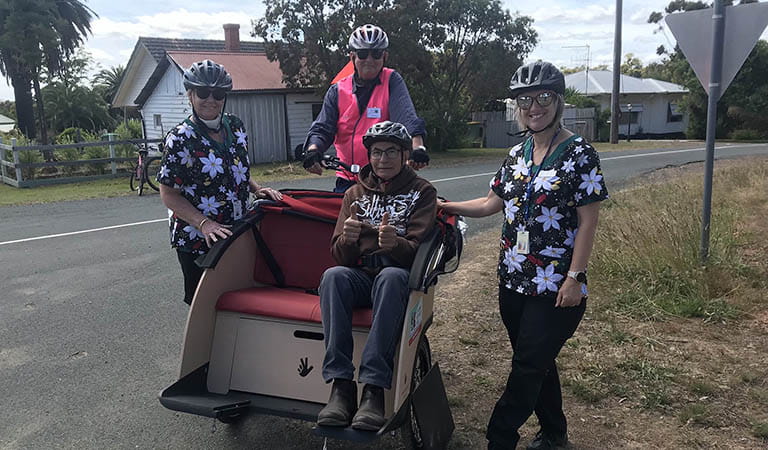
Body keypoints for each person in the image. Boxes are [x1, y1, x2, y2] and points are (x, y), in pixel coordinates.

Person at [438, 61, 609, 450]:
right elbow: (489, 203)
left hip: (556, 287)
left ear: (558, 100)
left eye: (543, 97)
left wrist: (575, 277)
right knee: (537, 362)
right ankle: (554, 434)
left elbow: (588, 222)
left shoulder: (580, 153)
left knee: (527, 366)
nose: (534, 106)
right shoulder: (517, 153)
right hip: (512, 280)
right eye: (525, 100)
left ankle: (499, 437)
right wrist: (446, 206)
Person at [316, 121, 437, 430]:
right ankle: (341, 386)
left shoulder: (422, 192)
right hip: (361, 275)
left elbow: (418, 251)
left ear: (405, 154)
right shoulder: (354, 193)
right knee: (333, 276)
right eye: (377, 152)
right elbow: (339, 254)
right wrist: (348, 239)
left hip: (398, 279)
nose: (384, 159)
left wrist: (393, 244)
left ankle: (373, 389)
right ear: (368, 156)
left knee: (392, 277)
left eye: (392, 151)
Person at [157, 60, 282, 305]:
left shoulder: (235, 126)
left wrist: (255, 188)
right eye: (203, 92)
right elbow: (169, 194)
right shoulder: (181, 138)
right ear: (190, 94)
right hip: (198, 238)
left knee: (237, 297)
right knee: (204, 305)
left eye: (218, 93)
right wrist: (204, 224)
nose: (210, 99)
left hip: (235, 231)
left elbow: (235, 168)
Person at [303, 24, 430, 192]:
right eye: (362, 54)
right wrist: (313, 151)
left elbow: (406, 117)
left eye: (376, 54)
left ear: (384, 56)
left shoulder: (392, 80)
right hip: (348, 178)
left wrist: (418, 148)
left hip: (385, 178)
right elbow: (323, 128)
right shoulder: (337, 90)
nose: (369, 60)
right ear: (352, 57)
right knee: (340, 217)